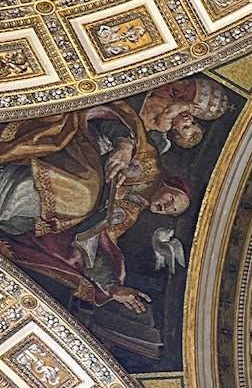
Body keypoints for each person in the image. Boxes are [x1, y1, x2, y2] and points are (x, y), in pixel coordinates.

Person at [0, 102, 191, 310]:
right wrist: (125, 145)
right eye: (172, 199)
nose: (167, 207)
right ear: (167, 183)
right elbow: (112, 120)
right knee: (85, 196)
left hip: (57, 198)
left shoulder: (127, 214)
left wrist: (112, 286)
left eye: (172, 211)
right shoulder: (148, 160)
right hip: (73, 147)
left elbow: (93, 244)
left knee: (72, 210)